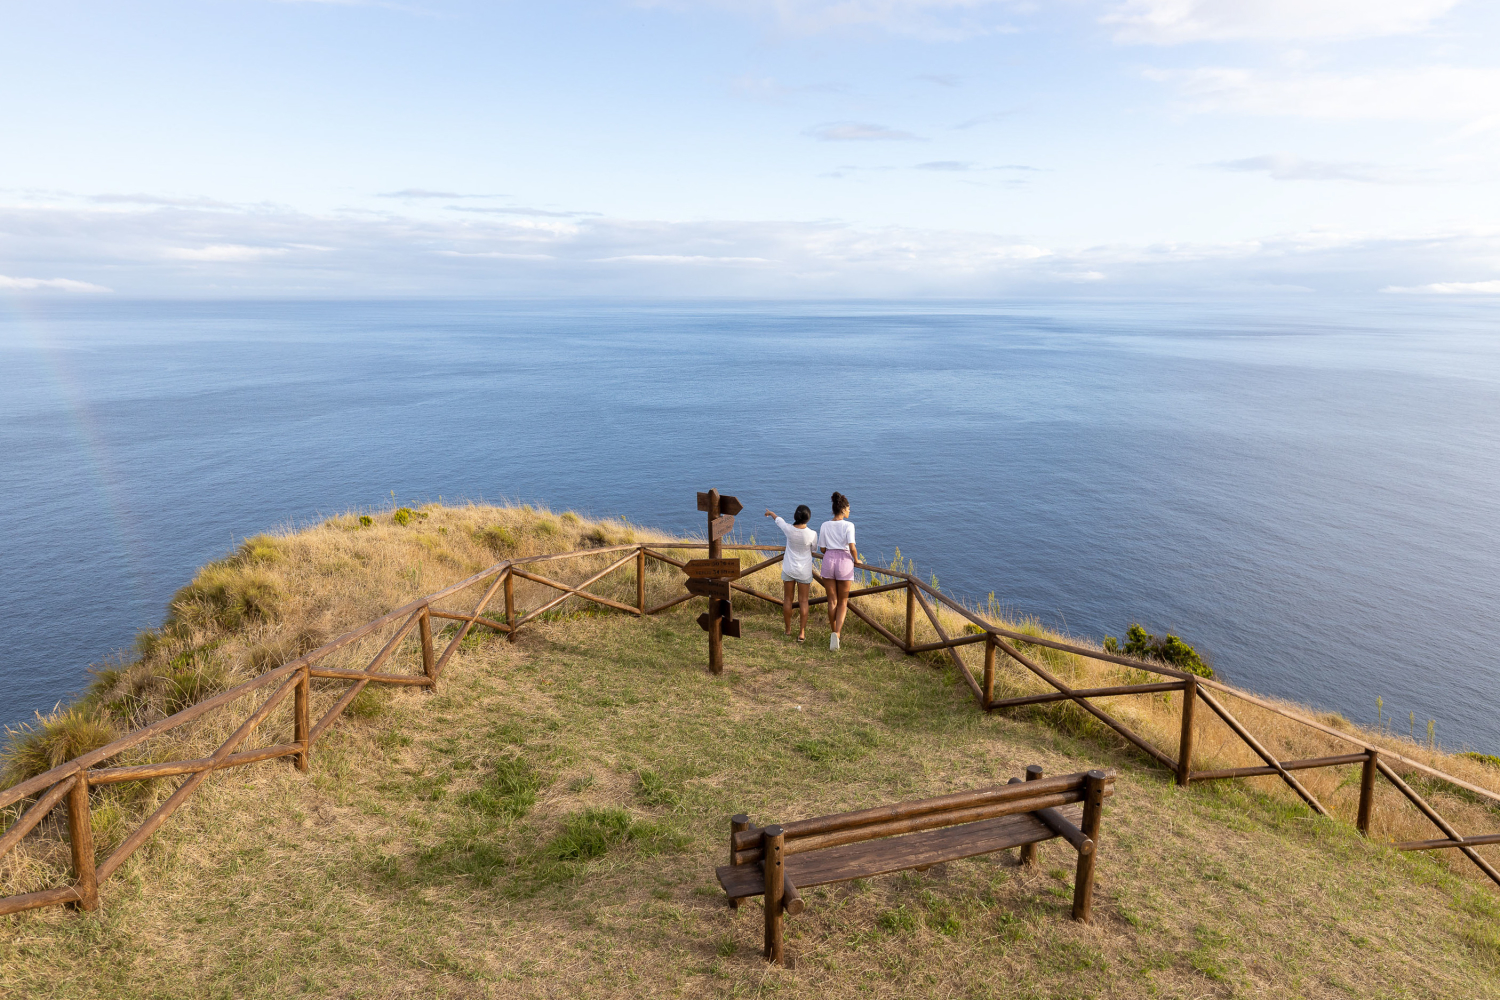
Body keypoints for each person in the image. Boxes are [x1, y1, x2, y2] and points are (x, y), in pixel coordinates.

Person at [765, 505, 817, 642]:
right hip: (804, 571)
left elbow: (779, 521)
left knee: (787, 599)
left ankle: (788, 630)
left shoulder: (789, 529)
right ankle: (802, 633)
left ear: (796, 516)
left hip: (789, 568)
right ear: (808, 518)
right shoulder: (812, 534)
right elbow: (815, 548)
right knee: (804, 601)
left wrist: (771, 513)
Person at [817, 492, 858, 650]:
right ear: (843, 510)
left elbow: (822, 548)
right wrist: (857, 559)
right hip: (844, 562)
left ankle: (833, 631)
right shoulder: (849, 526)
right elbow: (852, 546)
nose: (849, 511)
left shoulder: (825, 525)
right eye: (848, 508)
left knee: (832, 601)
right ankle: (837, 634)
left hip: (828, 560)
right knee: (843, 602)